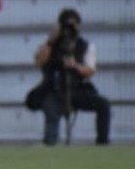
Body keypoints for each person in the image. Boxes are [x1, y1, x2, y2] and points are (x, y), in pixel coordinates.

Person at [29, 8, 111, 145]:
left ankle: (102, 144)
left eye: (73, 25)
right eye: (66, 25)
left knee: (103, 105)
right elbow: (38, 62)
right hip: (54, 90)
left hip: (77, 90)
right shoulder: (50, 45)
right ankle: (50, 146)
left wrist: (76, 66)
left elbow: (90, 70)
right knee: (52, 112)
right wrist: (51, 41)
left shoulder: (85, 46)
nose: (69, 29)